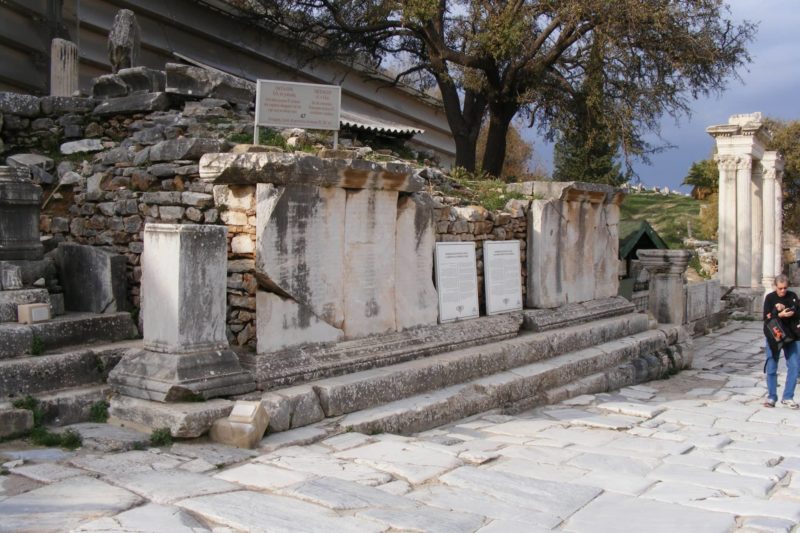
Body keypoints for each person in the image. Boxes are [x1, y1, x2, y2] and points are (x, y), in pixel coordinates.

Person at [763, 275, 800, 408]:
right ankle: (772, 397)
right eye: (780, 288)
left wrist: (792, 312)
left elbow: (798, 310)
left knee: (795, 366)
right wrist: (778, 314)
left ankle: (788, 397)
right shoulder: (770, 298)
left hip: (792, 336)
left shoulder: (793, 296)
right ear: (775, 287)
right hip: (775, 337)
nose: (783, 291)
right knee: (772, 367)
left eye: (785, 288)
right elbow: (766, 318)